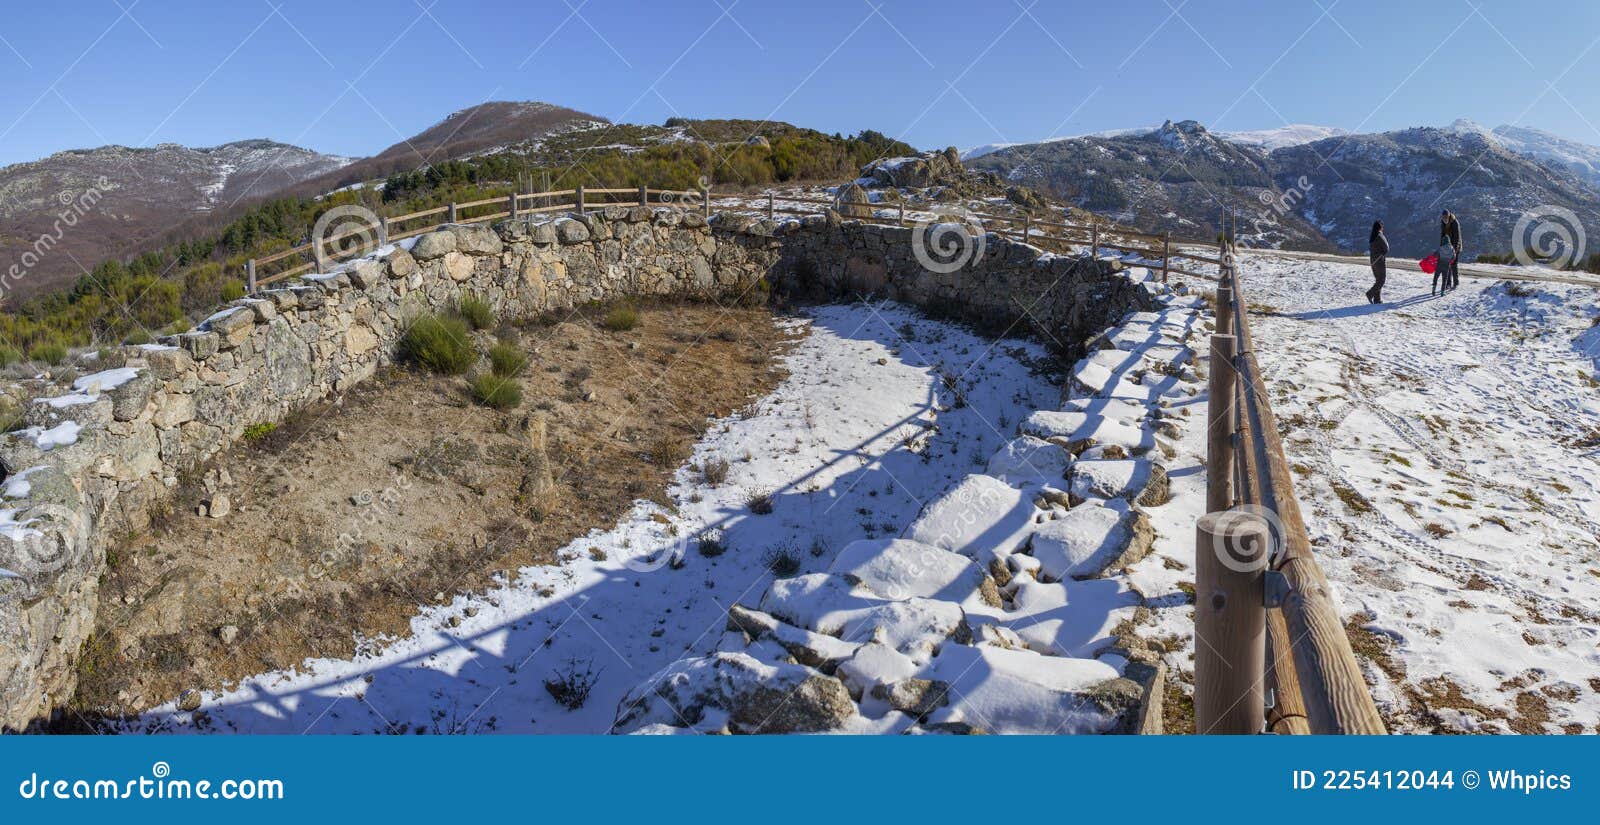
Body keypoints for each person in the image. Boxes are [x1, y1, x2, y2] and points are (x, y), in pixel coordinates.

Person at [1366, 220, 1388, 303]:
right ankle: (1370, 293)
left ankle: (1377, 299)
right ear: (1380, 227)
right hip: (1379, 260)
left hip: (1373, 260)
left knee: (1378, 280)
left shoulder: (1373, 236)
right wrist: (1383, 253)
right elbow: (1386, 248)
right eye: (1382, 226)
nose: (1383, 227)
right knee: (1381, 280)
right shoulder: (1379, 235)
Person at [1440, 210, 1462, 291]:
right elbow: (1442, 236)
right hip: (1447, 247)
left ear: (1449, 216)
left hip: (1455, 246)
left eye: (1446, 217)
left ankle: (1456, 283)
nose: (1444, 219)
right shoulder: (1443, 223)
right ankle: (1448, 284)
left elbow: (1457, 238)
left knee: (1453, 265)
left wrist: (1455, 250)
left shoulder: (1455, 223)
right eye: (1443, 217)